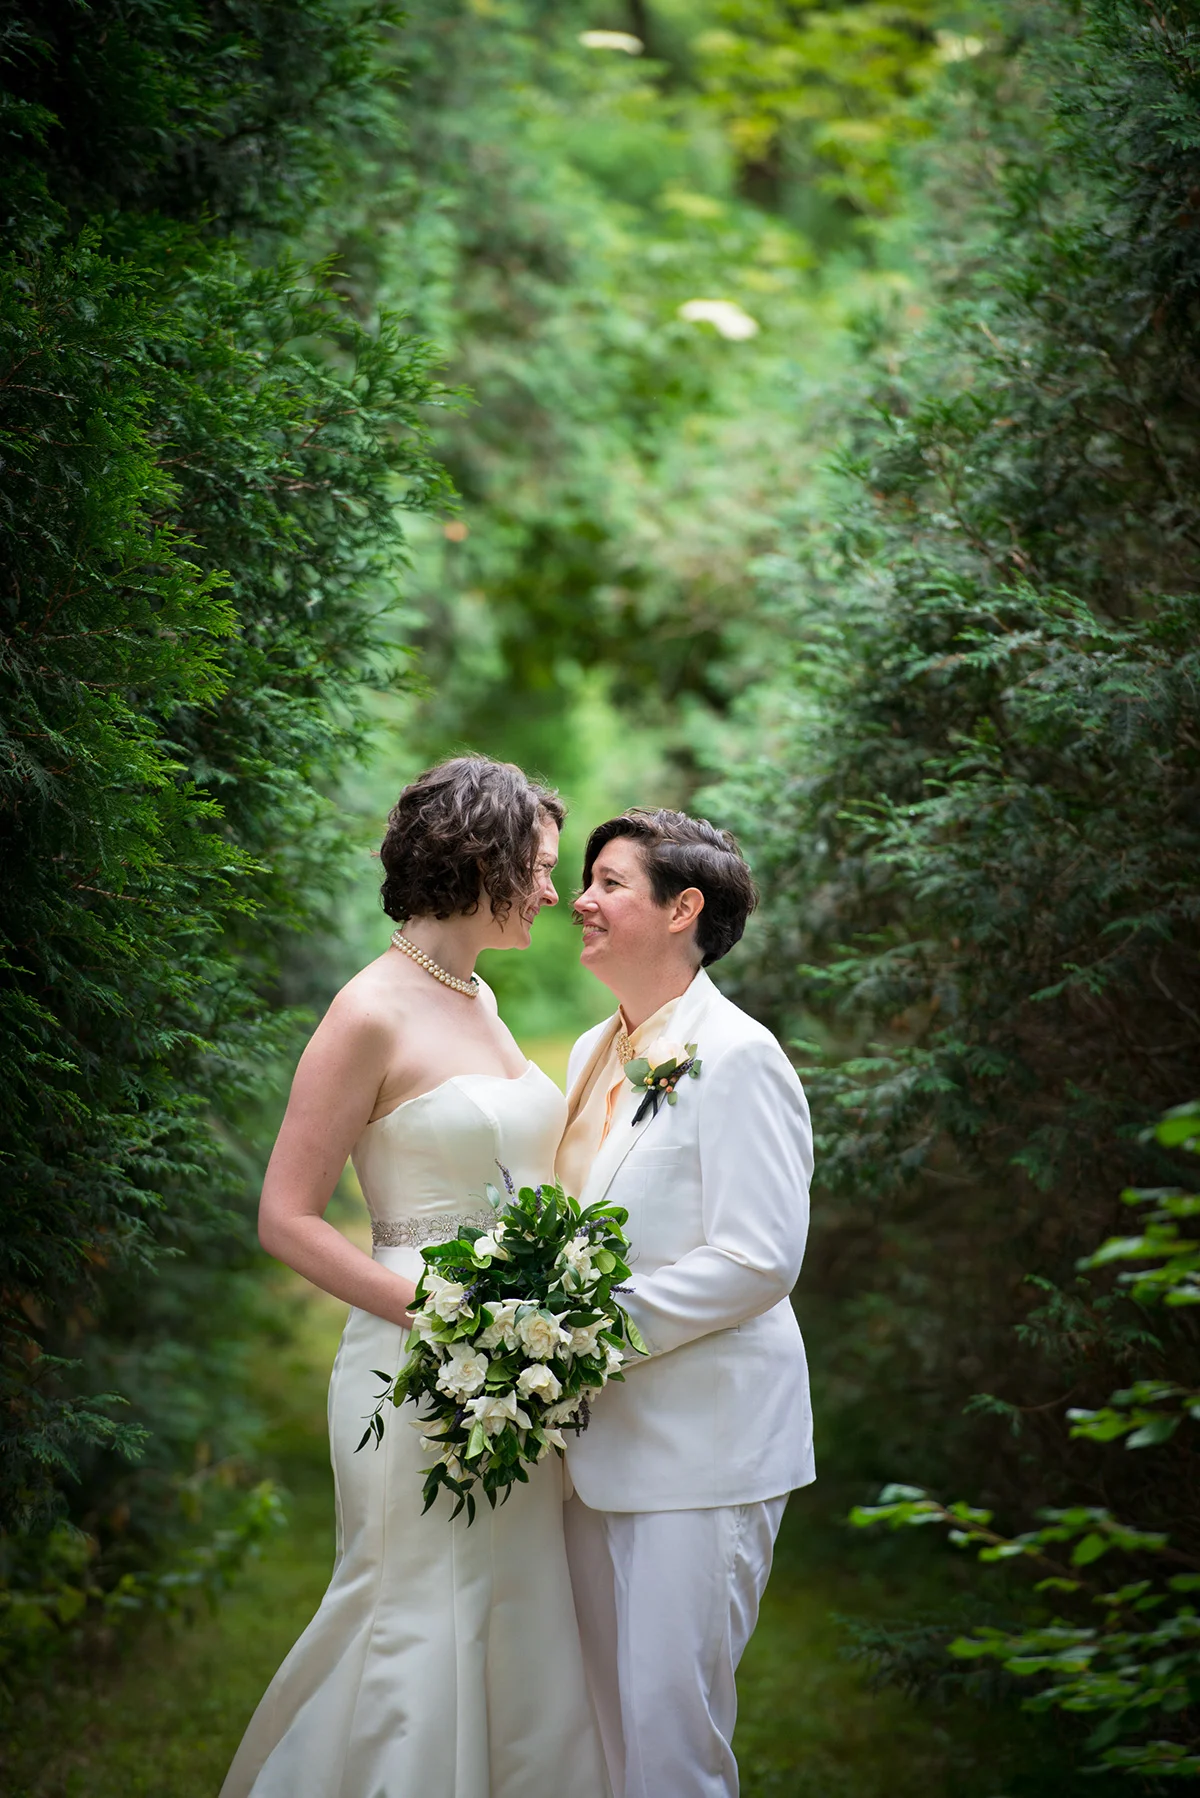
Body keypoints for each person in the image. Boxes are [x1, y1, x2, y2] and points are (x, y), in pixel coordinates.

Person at [221, 756, 609, 1798]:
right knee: (413, 1606)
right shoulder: (368, 1011)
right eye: (534, 866)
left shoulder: (480, 998)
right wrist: (442, 1315)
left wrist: (540, 1312)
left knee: (515, 1604)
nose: (549, 891)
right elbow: (285, 1216)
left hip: (520, 1370)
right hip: (412, 1367)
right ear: (475, 857)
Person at [557, 808, 814, 1798]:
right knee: (608, 1739)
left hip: (705, 1450)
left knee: (674, 1747)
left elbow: (758, 1257)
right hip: (589, 1448)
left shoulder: (740, 1055)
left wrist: (575, 1337)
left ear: (684, 909)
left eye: (611, 882)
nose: (580, 900)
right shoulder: (589, 1051)